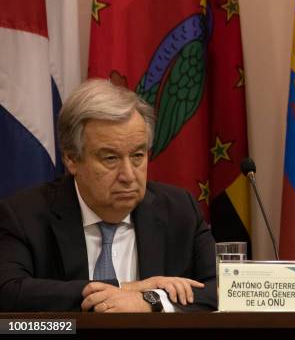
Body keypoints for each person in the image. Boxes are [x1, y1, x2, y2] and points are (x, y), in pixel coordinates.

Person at [0, 79, 217, 312]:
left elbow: (226, 289)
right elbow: (9, 293)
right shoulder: (24, 216)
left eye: (137, 156)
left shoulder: (179, 210)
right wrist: (125, 288)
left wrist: (150, 301)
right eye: (110, 158)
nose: (128, 175)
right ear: (72, 159)